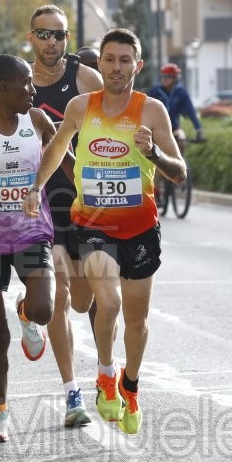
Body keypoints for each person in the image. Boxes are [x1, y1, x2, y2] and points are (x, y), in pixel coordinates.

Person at [23, 27, 187, 436]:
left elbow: (180, 173)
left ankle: (130, 386)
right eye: (109, 59)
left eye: (124, 60)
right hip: (93, 226)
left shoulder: (152, 111)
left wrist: (153, 152)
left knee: (136, 320)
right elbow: (57, 148)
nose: (116, 67)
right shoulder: (82, 107)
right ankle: (105, 374)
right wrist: (36, 188)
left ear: (138, 65)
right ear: (100, 63)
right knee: (107, 304)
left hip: (141, 229)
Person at [0, 55, 58, 442]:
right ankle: (0, 410)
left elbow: (61, 160)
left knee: (44, 309)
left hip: (30, 230)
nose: (33, 90)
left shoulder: (37, 121)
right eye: (26, 83)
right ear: (4, 87)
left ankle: (25, 310)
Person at [28, 4, 100, 427]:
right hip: (42, 205)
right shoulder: (17, 82)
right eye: (43, 34)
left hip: (83, 201)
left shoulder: (83, 79)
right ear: (31, 36)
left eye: (59, 35)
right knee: (59, 300)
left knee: (85, 299)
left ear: (67, 39)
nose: (51, 42)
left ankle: (26, 308)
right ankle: (73, 393)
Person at [147, 62, 205, 148]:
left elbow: (191, 111)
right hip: (154, 129)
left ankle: (180, 159)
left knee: (181, 141)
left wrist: (198, 130)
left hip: (174, 129)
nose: (164, 79)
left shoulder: (181, 92)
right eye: (162, 76)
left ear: (175, 78)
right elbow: (145, 109)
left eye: (167, 76)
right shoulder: (155, 91)